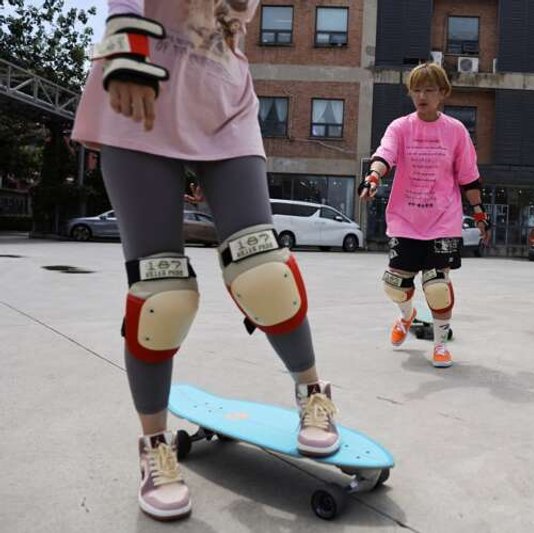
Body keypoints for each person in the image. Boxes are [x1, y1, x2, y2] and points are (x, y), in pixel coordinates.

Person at [71, 1, 339, 521]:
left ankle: (313, 392)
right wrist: (125, 47)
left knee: (263, 270)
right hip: (140, 80)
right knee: (160, 292)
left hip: (222, 96)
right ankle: (154, 445)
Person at [360, 62, 490, 368]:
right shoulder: (401, 127)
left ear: (442, 93)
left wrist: (480, 214)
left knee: (436, 287)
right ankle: (407, 317)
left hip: (443, 222)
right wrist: (373, 177)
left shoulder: (456, 131)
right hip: (406, 220)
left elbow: (469, 177)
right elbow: (385, 154)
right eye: (416, 89)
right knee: (394, 285)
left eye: (429, 89)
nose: (422, 95)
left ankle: (441, 344)